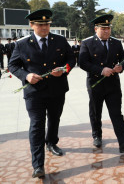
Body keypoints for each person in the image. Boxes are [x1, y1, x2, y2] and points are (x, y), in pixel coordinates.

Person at [8, 9, 76, 178]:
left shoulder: (59, 40)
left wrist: (64, 70)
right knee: (37, 125)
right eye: (40, 24)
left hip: (57, 89)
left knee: (54, 119)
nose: (44, 27)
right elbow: (13, 66)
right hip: (34, 92)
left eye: (47, 24)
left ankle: (52, 142)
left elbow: (71, 59)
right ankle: (38, 164)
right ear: (31, 25)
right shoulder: (22, 44)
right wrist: (26, 76)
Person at [79, 14, 124, 153]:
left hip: (113, 84)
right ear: (96, 29)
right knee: (95, 112)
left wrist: (120, 67)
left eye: (108, 28)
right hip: (95, 84)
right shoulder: (87, 43)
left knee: (116, 113)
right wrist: (100, 70)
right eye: (103, 28)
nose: (107, 31)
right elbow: (82, 63)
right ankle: (97, 135)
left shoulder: (115, 43)